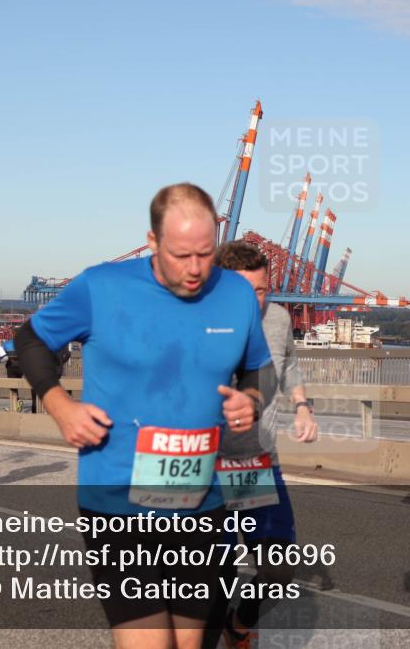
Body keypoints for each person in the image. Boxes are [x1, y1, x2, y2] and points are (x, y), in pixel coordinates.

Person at [15, 183, 276, 649]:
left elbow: (257, 365)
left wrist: (250, 400)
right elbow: (30, 339)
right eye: (180, 255)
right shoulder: (101, 286)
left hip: (202, 500)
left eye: (204, 253)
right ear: (152, 241)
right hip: (117, 498)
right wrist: (60, 405)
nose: (196, 269)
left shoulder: (236, 292)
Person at [207, 241, 318, 649]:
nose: (257, 299)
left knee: (280, 568)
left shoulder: (277, 318)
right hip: (204, 466)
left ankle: (240, 620)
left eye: (262, 289)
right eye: (246, 290)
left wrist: (302, 406)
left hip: (256, 463)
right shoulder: (195, 321)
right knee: (212, 574)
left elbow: (288, 362)